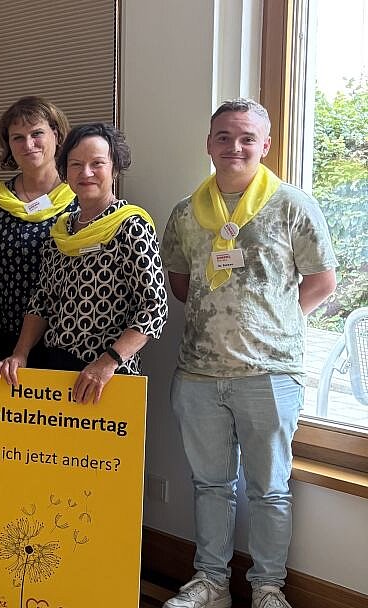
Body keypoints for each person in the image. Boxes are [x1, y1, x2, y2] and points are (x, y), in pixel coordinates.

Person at [160, 99, 337, 608]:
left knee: (270, 490)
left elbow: (324, 281)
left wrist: (275, 323)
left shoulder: (292, 205)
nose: (233, 147)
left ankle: (267, 588)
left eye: (245, 138)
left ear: (265, 144)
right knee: (210, 485)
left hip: (269, 375)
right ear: (209, 144)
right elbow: (179, 280)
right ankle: (211, 583)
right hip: (197, 373)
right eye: (223, 136)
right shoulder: (186, 213)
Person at [0, 123, 167, 402]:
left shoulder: (131, 226)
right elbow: (42, 300)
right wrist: (20, 354)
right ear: (65, 171)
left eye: (97, 163)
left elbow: (154, 307)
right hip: (56, 372)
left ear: (115, 168)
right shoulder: (62, 231)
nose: (85, 173)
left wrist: (107, 362)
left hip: (108, 379)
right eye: (75, 164)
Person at [0, 97, 76, 362]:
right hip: (3, 336)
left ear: (56, 134)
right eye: (17, 137)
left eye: (37, 133)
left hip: (65, 339)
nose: (28, 144)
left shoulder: (80, 199)